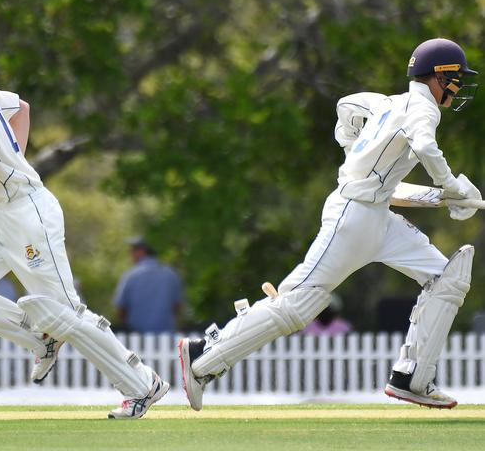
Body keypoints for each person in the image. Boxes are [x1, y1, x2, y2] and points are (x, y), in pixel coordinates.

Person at [179, 38, 480, 411]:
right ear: (439, 77)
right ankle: (204, 356)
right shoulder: (423, 108)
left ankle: (412, 378)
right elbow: (424, 146)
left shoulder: (388, 103)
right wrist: (450, 186)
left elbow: (347, 106)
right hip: (352, 217)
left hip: (378, 217)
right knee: (298, 306)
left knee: (446, 278)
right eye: (456, 79)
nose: (458, 87)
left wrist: (353, 150)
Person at [0, 25, 168, 419]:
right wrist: (14, 162)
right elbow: (21, 109)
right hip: (3, 214)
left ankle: (143, 385)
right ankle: (39, 337)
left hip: (29, 214)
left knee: (68, 313)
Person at [113, 237, 184, 333]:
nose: (131, 254)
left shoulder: (130, 276)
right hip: (167, 338)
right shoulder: (171, 275)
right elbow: (178, 307)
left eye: (133, 250)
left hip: (136, 338)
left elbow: (121, 310)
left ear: (142, 251)